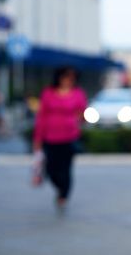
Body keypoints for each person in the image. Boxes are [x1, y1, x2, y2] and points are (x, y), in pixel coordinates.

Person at [33, 67, 87, 211]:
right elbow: (41, 117)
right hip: (50, 137)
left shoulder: (78, 93)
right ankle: (59, 188)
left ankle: (63, 194)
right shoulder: (48, 93)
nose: (68, 80)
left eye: (71, 78)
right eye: (66, 77)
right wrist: (38, 139)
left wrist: (83, 117)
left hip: (69, 137)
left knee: (65, 169)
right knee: (51, 169)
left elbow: (83, 114)